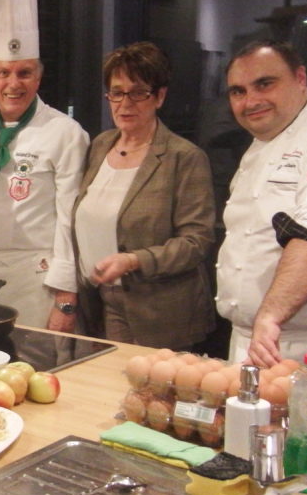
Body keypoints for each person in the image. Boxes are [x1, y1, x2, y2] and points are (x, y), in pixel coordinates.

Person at [72, 41, 215, 349]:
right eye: (117, 92)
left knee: (148, 394)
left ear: (159, 96)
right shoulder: (100, 145)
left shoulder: (184, 157)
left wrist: (135, 260)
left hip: (158, 311)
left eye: (138, 93)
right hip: (99, 301)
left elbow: (196, 243)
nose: (125, 103)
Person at [0, 0, 88, 331]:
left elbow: (71, 221)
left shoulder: (66, 133)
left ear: (39, 77)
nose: (13, 83)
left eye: (24, 73)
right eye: (3, 73)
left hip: (37, 281)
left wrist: (66, 298)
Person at [217, 40, 307, 367]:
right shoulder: (257, 146)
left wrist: (271, 315)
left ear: (300, 78)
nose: (251, 101)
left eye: (264, 84)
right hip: (250, 342)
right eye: (238, 91)